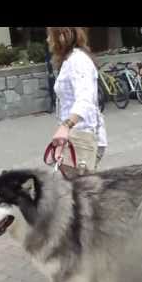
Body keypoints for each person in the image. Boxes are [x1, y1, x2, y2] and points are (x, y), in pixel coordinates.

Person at [46, 27, 108, 174]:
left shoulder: (78, 61)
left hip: (83, 139)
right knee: (78, 190)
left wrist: (66, 126)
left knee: (81, 192)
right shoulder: (70, 60)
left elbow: (85, 99)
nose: (48, 40)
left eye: (50, 35)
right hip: (75, 138)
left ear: (62, 36)